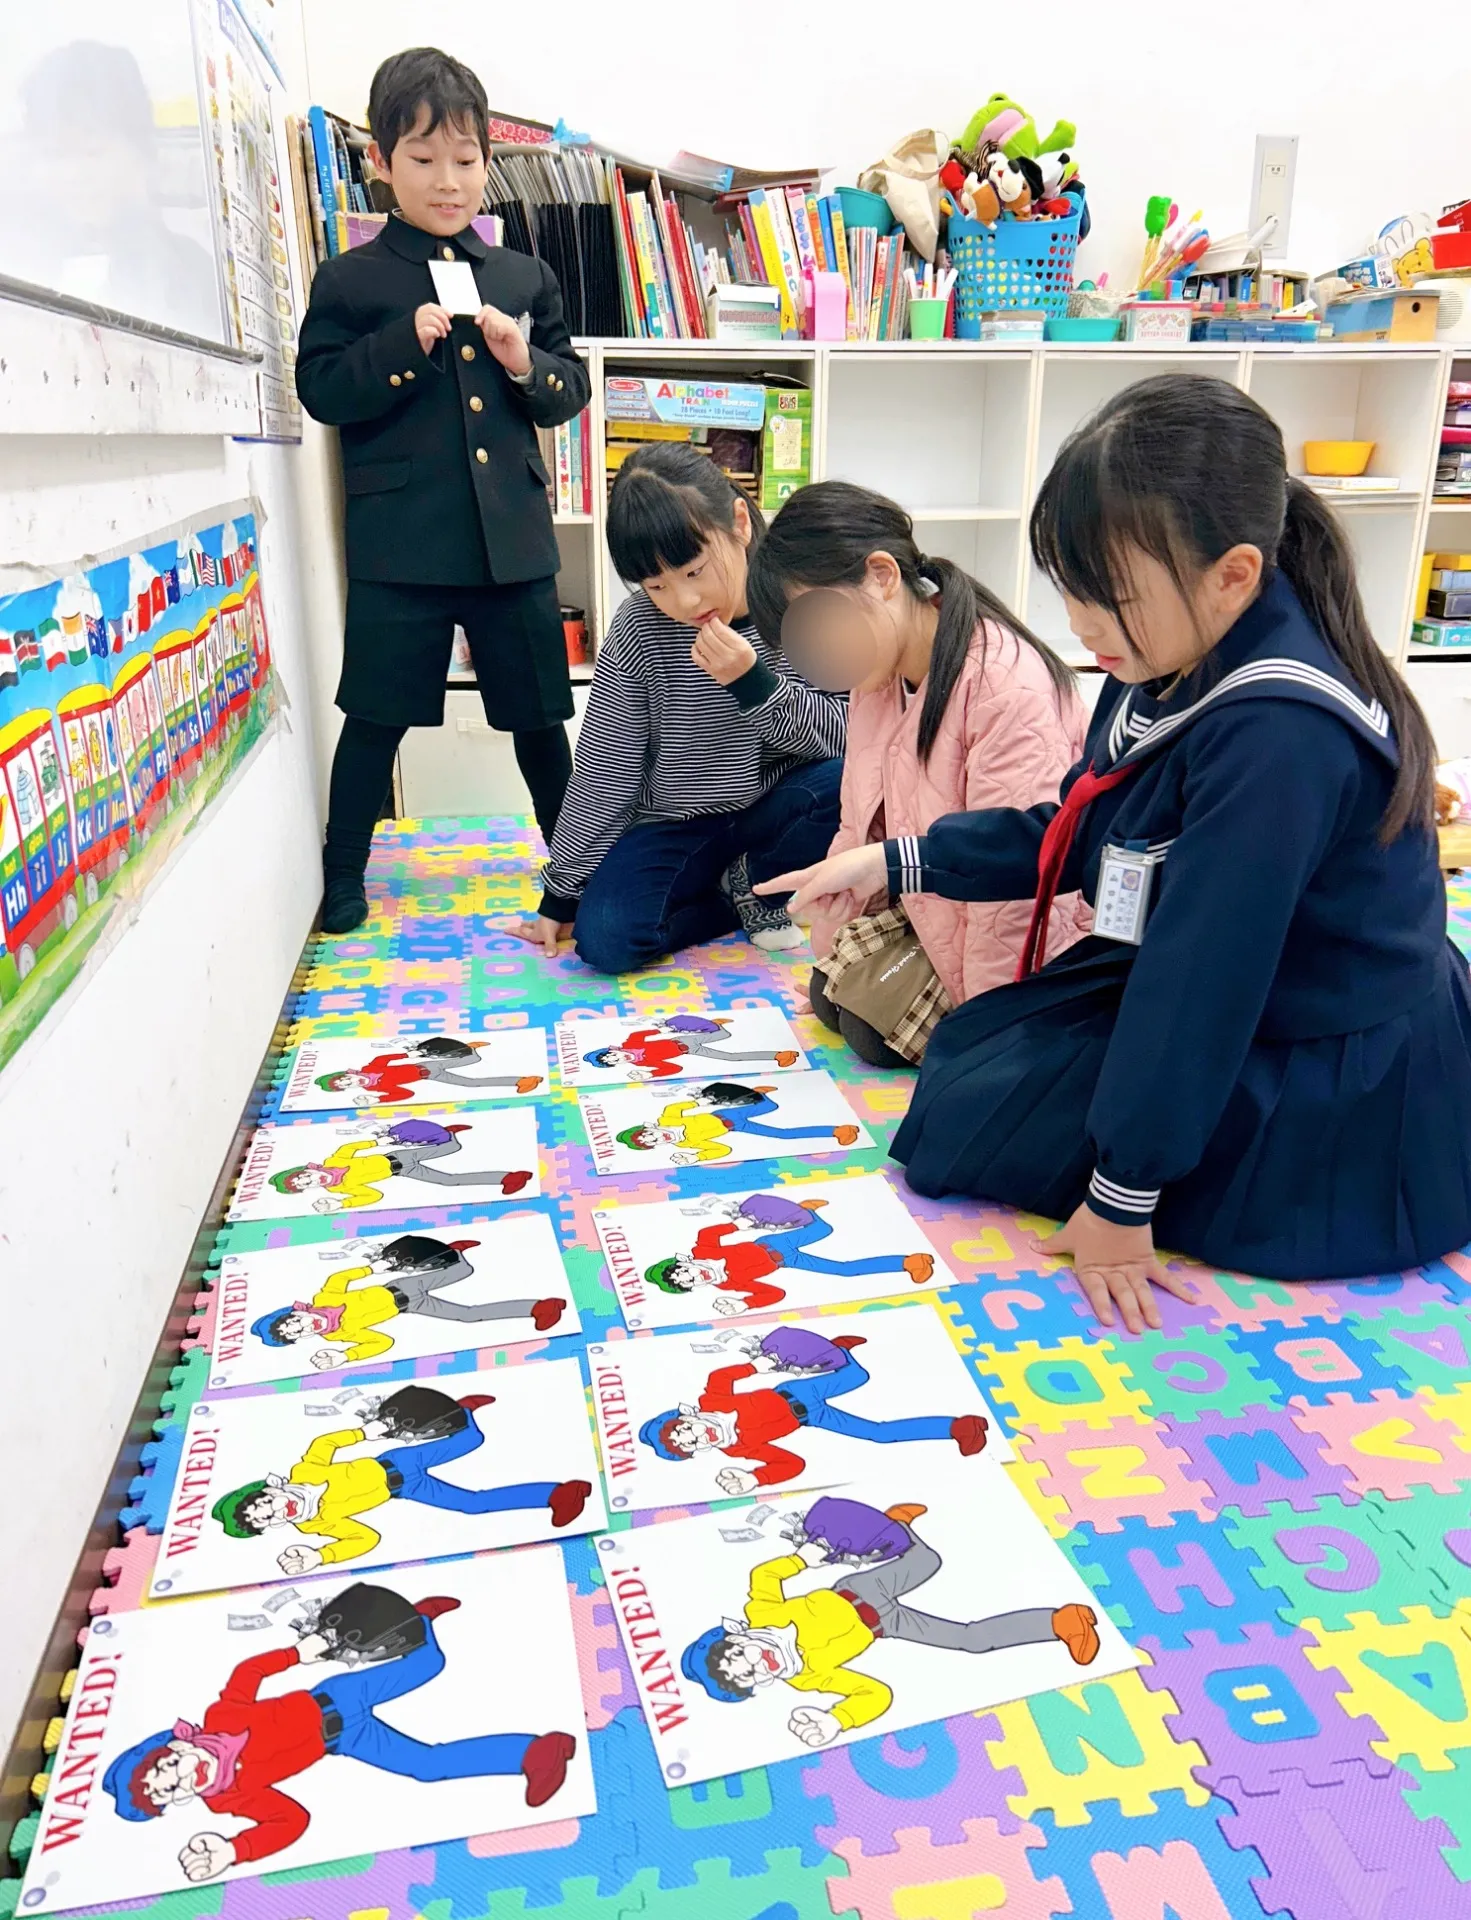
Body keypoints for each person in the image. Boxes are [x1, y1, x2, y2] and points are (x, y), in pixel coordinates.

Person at [761, 375, 1471, 1332]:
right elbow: (1076, 827)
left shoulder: (1276, 735)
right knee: (968, 1075)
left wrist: (1121, 1200)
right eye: (1072, 592)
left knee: (980, 1116)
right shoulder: (1172, 656)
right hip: (1206, 972)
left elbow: (1204, 979)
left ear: (1232, 573)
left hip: (1316, 1043)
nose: (1082, 626)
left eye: (1110, 597)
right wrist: (893, 862)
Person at [296, 48, 590, 935]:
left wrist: (521, 359)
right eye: (422, 161)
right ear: (382, 164)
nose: (448, 181)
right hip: (403, 546)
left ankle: (574, 878)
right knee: (374, 716)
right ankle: (342, 875)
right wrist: (398, 348)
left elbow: (567, 390)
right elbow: (321, 391)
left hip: (512, 545)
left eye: (465, 160)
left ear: (487, 165)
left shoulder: (521, 278)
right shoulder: (351, 280)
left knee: (541, 722)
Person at [747, 482, 1089, 1066]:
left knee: (868, 1034)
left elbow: (1012, 897)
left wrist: (990, 1041)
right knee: (831, 999)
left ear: (881, 575)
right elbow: (857, 831)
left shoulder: (1004, 688)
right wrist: (828, 959)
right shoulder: (874, 675)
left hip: (1026, 928)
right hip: (933, 903)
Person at [512, 444, 846, 970]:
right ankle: (744, 896)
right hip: (674, 822)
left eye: (694, 571)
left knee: (853, 777)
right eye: (657, 585)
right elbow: (607, 769)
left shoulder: (795, 601)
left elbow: (847, 734)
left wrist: (754, 685)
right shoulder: (639, 625)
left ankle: (755, 876)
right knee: (603, 940)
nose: (685, 602)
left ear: (738, 522)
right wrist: (561, 892)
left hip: (777, 811)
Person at [103, 1595, 577, 1878]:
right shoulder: (227, 1800)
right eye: (168, 1793)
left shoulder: (221, 1716)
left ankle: (419, 1620)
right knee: (426, 1768)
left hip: (335, 1698)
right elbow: (291, 1821)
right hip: (345, 1740)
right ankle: (535, 1752)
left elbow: (247, 1671)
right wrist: (234, 1850)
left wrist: (298, 1654)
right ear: (178, 1803)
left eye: (167, 1768)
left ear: (177, 1746)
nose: (179, 1779)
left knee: (430, 1664)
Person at [680, 1495, 1099, 1748]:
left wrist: (800, 1560)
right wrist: (836, 1719)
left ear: (739, 1634)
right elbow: (874, 1693)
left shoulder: (762, 1614)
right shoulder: (805, 1678)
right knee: (970, 1640)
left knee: (929, 1561)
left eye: (742, 1656)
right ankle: (1060, 1623)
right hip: (886, 1625)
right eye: (749, 1676)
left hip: (861, 1590)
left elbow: (763, 1577)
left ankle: (895, 1525)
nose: (757, 1664)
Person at [211, 1389, 592, 1572]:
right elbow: (366, 1538)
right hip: (405, 1490)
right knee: (473, 1505)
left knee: (473, 1439)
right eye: (267, 1521)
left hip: (396, 1460)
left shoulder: (303, 1473)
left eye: (265, 1504)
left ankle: (463, 1410)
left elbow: (322, 1443)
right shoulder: (315, 1524)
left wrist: (363, 1434)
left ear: (270, 1488)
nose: (276, 1511)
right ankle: (558, 1494)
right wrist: (320, 1555)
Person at [638, 1327, 987, 1491]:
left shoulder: (711, 1402)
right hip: (812, 1418)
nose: (695, 1437)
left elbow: (718, 1376)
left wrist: (753, 1368)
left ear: (686, 1416)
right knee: (878, 1435)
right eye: (689, 1446)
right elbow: (792, 1463)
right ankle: (956, 1427)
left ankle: (835, 1351)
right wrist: (754, 1477)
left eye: (684, 1431)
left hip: (796, 1391)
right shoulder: (737, 1448)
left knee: (858, 1376)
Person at [251, 1232, 566, 1368]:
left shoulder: (325, 1297)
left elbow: (339, 1279)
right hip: (410, 1307)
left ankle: (451, 1251)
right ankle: (538, 1307)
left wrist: (371, 1268)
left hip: (400, 1286)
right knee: (468, 1316)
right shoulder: (338, 1334)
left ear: (296, 1312)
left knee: (464, 1271)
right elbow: (380, 1343)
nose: (303, 1327)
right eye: (296, 1334)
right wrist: (345, 1357)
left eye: (294, 1322)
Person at [646, 1191, 934, 1312]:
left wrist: (736, 1226)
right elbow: (774, 1294)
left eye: (685, 1272)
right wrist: (745, 1304)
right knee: (844, 1270)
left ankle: (804, 1211)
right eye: (689, 1284)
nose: (694, 1277)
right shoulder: (729, 1284)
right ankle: (908, 1262)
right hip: (788, 1261)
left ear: (685, 1261)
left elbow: (706, 1234)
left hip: (773, 1245)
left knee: (824, 1230)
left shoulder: (703, 1251)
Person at [268, 1116, 533, 1211]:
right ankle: (508, 1177)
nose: (311, 1181)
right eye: (305, 1186)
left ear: (307, 1170)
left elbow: (350, 1147)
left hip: (396, 1156)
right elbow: (372, 1194)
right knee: (450, 1180)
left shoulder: (334, 1160)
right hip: (402, 1171)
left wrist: (376, 1143)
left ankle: (447, 1133)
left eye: (304, 1177)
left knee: (452, 1147)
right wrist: (342, 1203)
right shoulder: (337, 1190)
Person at [616, 1080, 860, 1164]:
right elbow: (721, 1149)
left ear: (651, 1128)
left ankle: (758, 1094)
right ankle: (838, 1130)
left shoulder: (667, 1119)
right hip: (735, 1126)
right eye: (652, 1143)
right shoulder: (684, 1145)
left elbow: (674, 1107)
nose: (657, 1138)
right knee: (784, 1134)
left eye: (649, 1135)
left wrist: (697, 1105)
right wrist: (696, 1156)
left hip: (724, 1115)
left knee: (770, 1107)